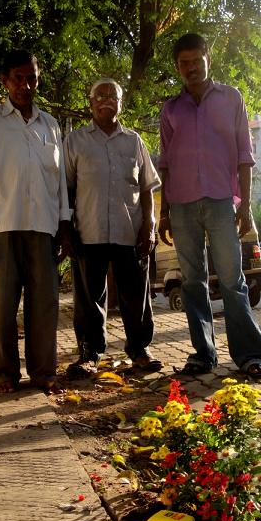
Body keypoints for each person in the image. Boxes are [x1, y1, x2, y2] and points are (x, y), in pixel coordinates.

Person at [158, 33, 261, 379]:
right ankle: (203, 354)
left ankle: (250, 355)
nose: (190, 68)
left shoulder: (231, 98)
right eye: (183, 63)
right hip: (182, 205)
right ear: (178, 67)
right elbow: (165, 164)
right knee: (192, 282)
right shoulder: (171, 109)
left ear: (208, 58)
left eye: (196, 60)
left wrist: (246, 205)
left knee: (233, 279)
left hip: (223, 201)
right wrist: (164, 212)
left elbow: (245, 156)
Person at [0, 49, 72, 394]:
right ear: (4, 80)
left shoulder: (51, 126)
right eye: (18, 78)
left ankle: (43, 372)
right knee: (2, 306)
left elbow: (59, 184)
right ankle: (4, 373)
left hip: (43, 228)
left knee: (44, 304)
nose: (25, 85)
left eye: (32, 78)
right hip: (2, 228)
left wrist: (64, 227)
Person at [63, 78, 162, 375]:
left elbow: (147, 187)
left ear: (120, 103)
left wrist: (150, 226)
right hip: (88, 230)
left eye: (113, 96)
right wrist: (66, 229)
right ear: (90, 103)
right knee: (88, 297)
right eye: (100, 95)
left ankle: (140, 350)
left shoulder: (134, 141)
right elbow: (66, 188)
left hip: (129, 231)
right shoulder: (75, 141)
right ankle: (89, 354)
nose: (107, 100)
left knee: (136, 294)